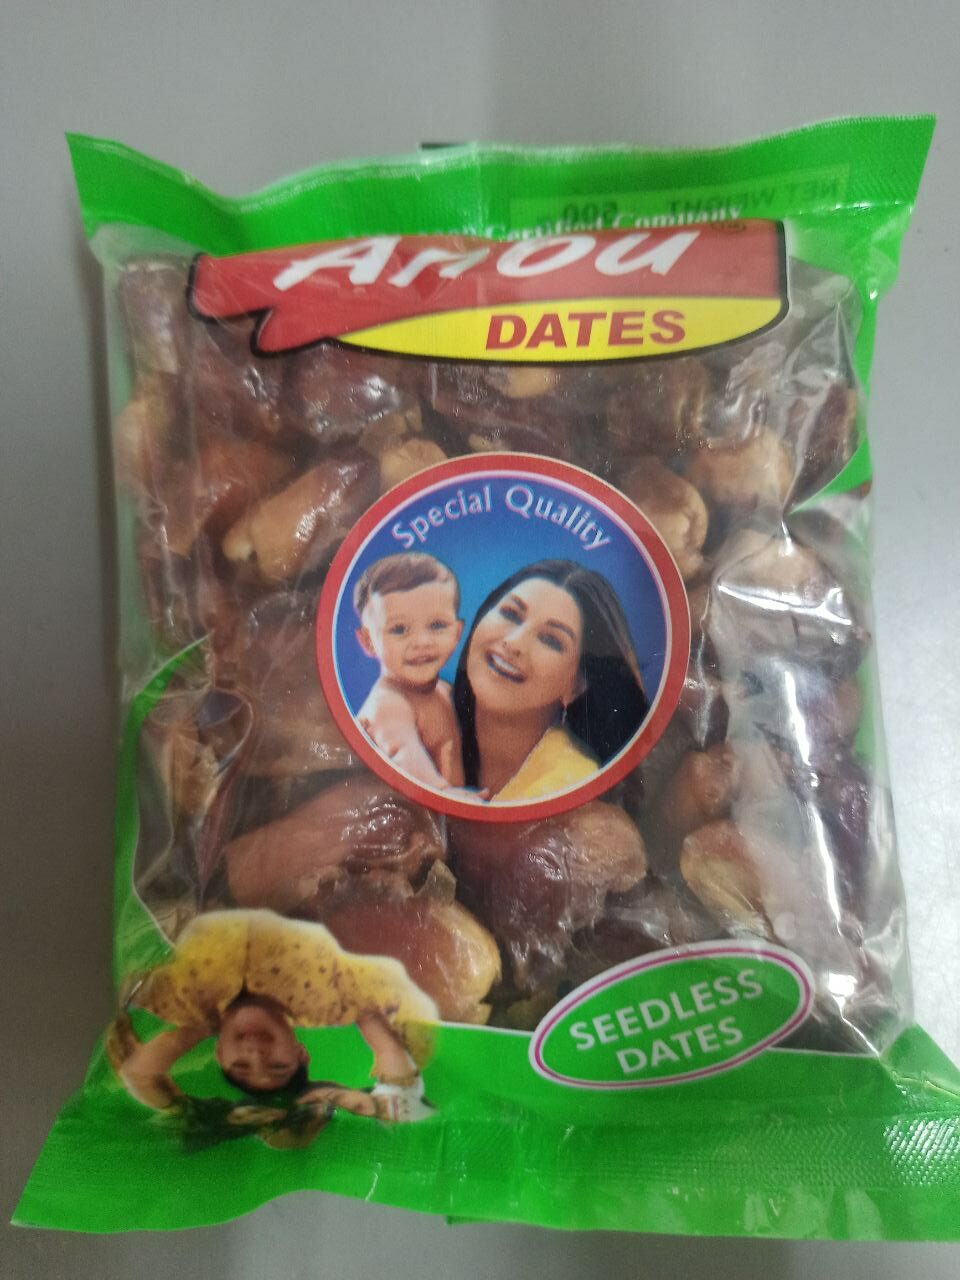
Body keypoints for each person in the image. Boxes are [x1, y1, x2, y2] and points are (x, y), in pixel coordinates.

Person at [111, 911, 436, 1125]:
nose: (256, 1055)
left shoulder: (176, 998)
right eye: (278, 1065)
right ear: (300, 1052)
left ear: (220, 1053)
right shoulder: (330, 1002)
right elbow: (384, 1036)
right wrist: (384, 1048)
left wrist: (196, 1030)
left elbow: (138, 1074)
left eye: (241, 1065)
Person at [454, 559, 649, 802]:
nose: (514, 643)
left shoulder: (574, 784)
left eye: (550, 640)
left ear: (577, 686)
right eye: (511, 614)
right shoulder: (423, 721)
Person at [353, 553, 465, 790]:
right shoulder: (389, 704)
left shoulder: (445, 691)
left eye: (437, 625)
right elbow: (402, 752)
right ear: (368, 641)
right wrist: (444, 793)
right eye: (399, 629)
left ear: (457, 632)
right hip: (416, 804)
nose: (422, 642)